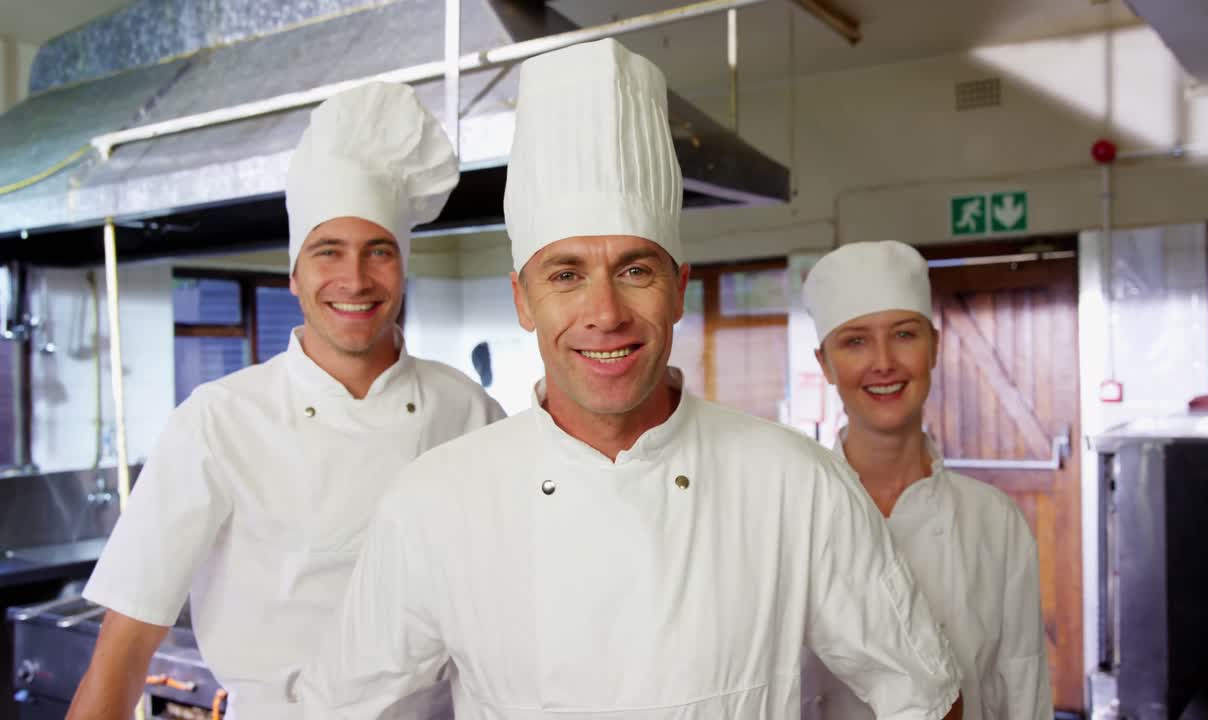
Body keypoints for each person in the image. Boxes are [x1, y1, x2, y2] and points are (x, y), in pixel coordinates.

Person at [298, 39, 962, 720]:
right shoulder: (434, 504)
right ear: (522, 300)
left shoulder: (797, 483)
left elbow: (926, 695)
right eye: (565, 275)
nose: (605, 314)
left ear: (678, 290)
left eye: (635, 270)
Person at [68, 81, 504, 720]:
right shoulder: (218, 421)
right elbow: (125, 646)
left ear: (402, 268)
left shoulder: (468, 410)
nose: (355, 279)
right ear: (295, 276)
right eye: (329, 252)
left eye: (378, 252)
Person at [800, 241, 1052, 719]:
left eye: (903, 334)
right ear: (825, 364)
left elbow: (1022, 688)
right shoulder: (795, 513)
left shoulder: (993, 521)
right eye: (855, 340)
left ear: (934, 346)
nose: (883, 363)